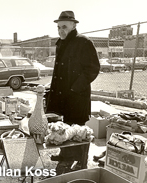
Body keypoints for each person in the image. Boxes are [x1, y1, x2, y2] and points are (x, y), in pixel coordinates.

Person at [45, 10, 100, 173]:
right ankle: (65, 155)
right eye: (59, 27)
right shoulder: (61, 43)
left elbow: (93, 68)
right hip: (62, 95)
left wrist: (75, 88)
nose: (61, 30)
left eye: (64, 27)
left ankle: (81, 161)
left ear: (73, 25)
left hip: (76, 95)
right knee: (64, 126)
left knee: (78, 130)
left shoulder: (83, 42)